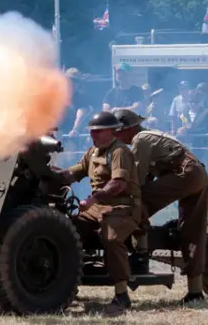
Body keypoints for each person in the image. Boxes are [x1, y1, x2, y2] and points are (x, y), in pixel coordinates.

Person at [112, 109, 208, 304]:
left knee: (138, 202)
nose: (115, 136)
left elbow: (137, 183)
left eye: (116, 132)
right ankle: (195, 292)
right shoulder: (148, 137)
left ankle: (140, 256)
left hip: (185, 173)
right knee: (192, 231)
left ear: (127, 129)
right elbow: (147, 176)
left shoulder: (140, 139)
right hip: (197, 174)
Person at [54, 111, 141, 311]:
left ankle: (122, 295)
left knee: (110, 238)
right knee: (67, 231)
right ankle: (64, 288)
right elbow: (71, 174)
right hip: (97, 208)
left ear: (112, 131)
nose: (94, 135)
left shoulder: (119, 152)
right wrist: (49, 172)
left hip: (123, 206)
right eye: (92, 131)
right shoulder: (93, 152)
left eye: (99, 132)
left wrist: (92, 199)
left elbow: (118, 184)